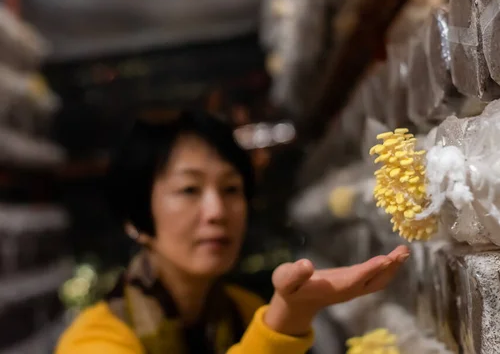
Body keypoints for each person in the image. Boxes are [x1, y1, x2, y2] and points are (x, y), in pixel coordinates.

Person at [56, 111, 409, 354]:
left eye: (230, 189)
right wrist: (285, 321)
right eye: (189, 190)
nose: (217, 212)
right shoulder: (95, 339)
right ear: (135, 219)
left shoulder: (244, 309)